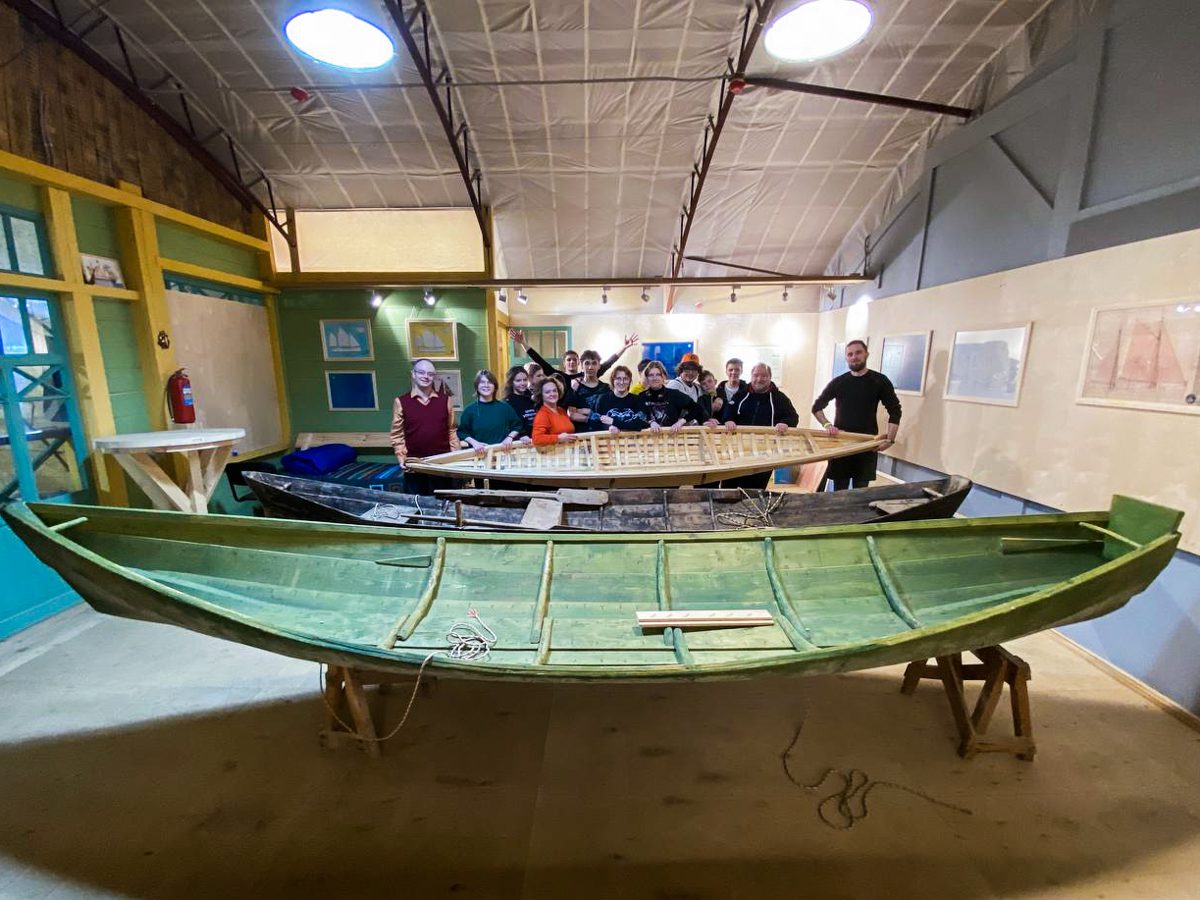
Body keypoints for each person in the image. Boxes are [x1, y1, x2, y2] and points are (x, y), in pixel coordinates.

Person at [811, 339, 901, 490]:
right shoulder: (839, 382)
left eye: (858, 353)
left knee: (860, 492)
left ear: (866, 354)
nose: (854, 357)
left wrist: (890, 440)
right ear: (846, 358)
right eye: (850, 354)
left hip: (867, 444)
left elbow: (895, 410)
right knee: (840, 492)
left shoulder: (879, 381)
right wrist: (827, 425)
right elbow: (816, 407)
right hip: (841, 443)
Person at [722, 363, 800, 488]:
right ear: (751, 376)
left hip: (765, 454)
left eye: (764, 376)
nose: (759, 379)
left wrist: (785, 423)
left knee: (756, 490)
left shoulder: (780, 398)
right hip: (737, 452)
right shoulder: (740, 395)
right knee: (730, 487)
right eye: (756, 375)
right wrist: (728, 420)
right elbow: (728, 411)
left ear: (770, 378)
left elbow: (793, 417)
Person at [390, 358, 460, 495]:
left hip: (442, 463)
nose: (426, 376)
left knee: (443, 502)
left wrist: (455, 457)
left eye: (430, 374)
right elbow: (397, 434)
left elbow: (451, 430)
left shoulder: (446, 400)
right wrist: (402, 458)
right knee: (417, 503)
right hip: (415, 464)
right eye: (421, 372)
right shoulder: (401, 402)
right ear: (413, 374)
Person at [509, 328, 639, 387]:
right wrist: (523, 343)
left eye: (574, 359)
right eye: (568, 360)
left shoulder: (588, 374)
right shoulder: (558, 376)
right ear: (564, 363)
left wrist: (624, 347)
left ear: (579, 363)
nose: (572, 362)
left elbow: (609, 362)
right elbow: (539, 360)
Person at [457, 369, 529, 455]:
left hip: (503, 454)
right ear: (477, 386)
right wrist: (475, 443)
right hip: (480, 455)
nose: (486, 385)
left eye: (489, 382)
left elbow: (517, 426)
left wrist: (509, 437)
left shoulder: (505, 407)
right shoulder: (469, 410)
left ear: (495, 386)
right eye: (482, 382)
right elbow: (462, 432)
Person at [640, 360, 700, 432]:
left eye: (658, 374)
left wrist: (681, 422)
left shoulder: (674, 394)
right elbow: (636, 415)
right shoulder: (641, 397)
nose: (654, 378)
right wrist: (651, 422)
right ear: (646, 378)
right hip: (647, 438)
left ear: (663, 377)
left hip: (671, 437)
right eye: (651, 375)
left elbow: (697, 408)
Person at [590, 365, 650, 432]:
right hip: (608, 438)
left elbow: (640, 424)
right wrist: (609, 427)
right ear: (613, 380)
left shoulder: (638, 400)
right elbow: (594, 423)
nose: (622, 382)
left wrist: (614, 422)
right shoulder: (602, 400)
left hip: (633, 438)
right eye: (618, 378)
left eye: (625, 379)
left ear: (630, 381)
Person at [570, 349, 612, 431]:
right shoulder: (575, 387)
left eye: (594, 363)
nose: (590, 367)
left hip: (602, 434)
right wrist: (590, 419)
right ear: (581, 365)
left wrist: (589, 413)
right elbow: (571, 414)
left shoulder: (606, 388)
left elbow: (610, 413)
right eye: (587, 363)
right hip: (582, 435)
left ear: (599, 366)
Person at [531, 377, 578, 446]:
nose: (552, 394)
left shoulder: (561, 410)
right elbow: (536, 439)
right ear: (541, 395)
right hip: (554, 452)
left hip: (569, 449)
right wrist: (558, 438)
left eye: (554, 391)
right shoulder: (542, 415)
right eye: (547, 392)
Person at [503, 365, 537, 437]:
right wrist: (520, 437)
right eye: (518, 380)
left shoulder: (532, 398)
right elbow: (508, 427)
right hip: (519, 441)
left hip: (535, 438)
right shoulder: (507, 403)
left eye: (525, 380)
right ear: (511, 382)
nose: (522, 383)